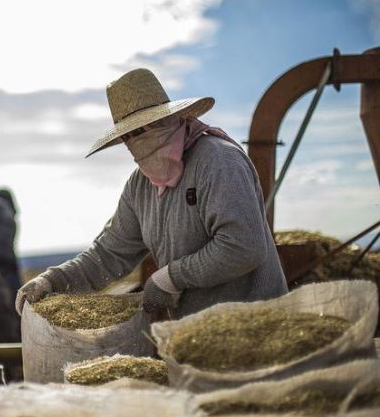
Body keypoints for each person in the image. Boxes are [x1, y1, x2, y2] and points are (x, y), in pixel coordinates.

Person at [15, 68, 287, 319]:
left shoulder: (218, 161)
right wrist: (52, 280)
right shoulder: (140, 186)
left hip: (256, 325)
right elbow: (109, 253)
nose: (136, 141)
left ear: (169, 119)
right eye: (128, 135)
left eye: (143, 129)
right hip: (193, 334)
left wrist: (171, 277)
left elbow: (243, 247)